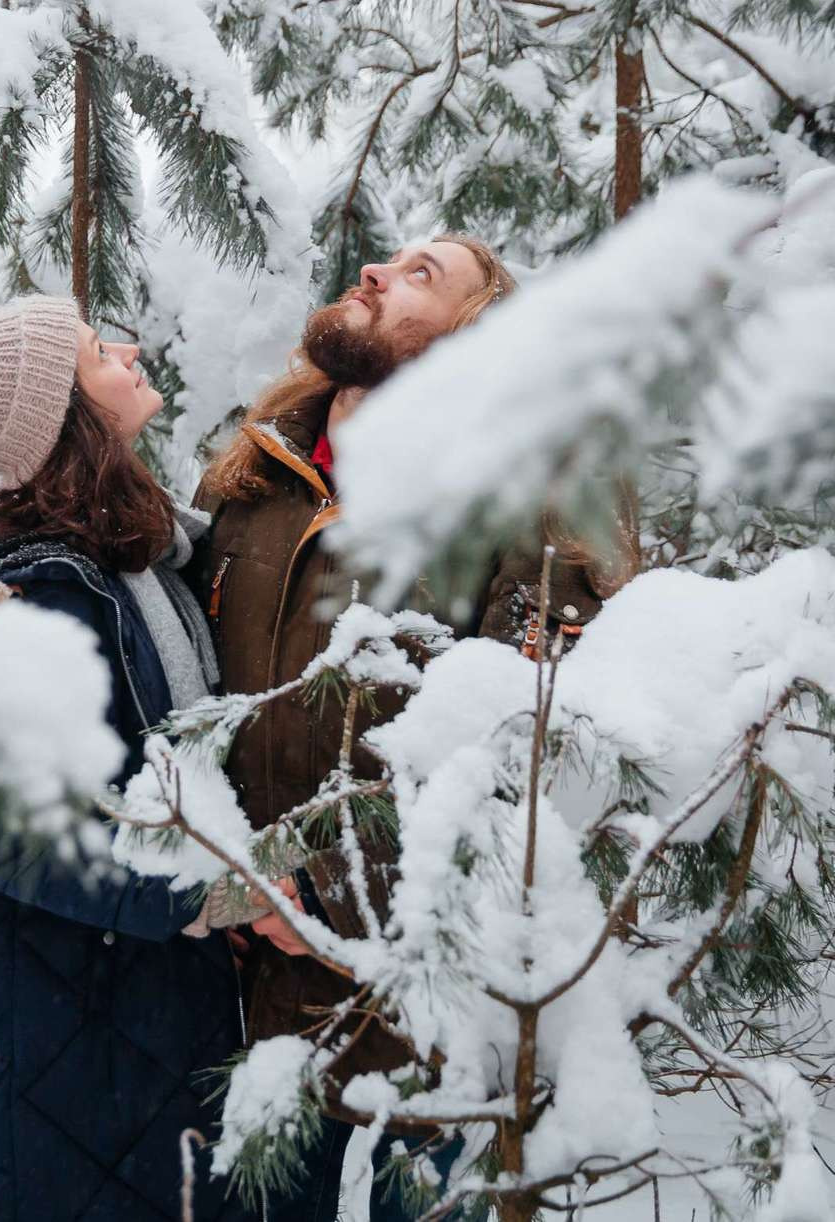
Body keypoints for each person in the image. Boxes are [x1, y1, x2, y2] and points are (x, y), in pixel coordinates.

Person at [192, 238, 633, 1222]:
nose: (375, 273)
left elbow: (525, 770)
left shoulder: (522, 505)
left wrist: (311, 893)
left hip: (393, 1042)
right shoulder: (249, 478)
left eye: (420, 274)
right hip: (214, 1017)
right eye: (386, 261)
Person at [0, 295, 265, 1222]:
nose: (127, 347)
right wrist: (206, 897)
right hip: (54, 1047)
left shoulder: (130, 566)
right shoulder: (30, 598)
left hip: (122, 1018)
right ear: (60, 415)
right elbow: (13, 834)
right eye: (92, 350)